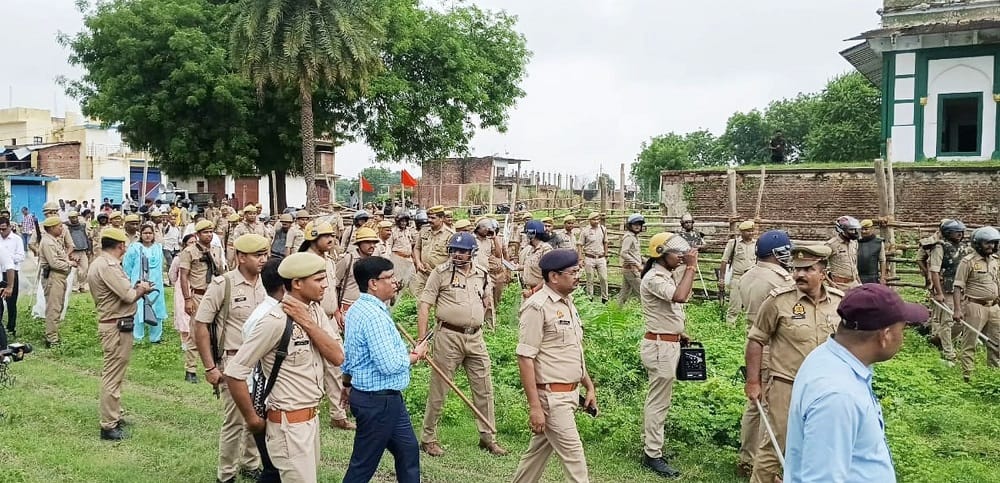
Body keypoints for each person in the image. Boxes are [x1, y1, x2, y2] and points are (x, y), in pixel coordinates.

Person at [784, 284, 929, 482]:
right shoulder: (838, 395)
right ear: (885, 335)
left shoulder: (828, 357)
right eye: (902, 329)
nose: (902, 337)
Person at [223, 252, 346, 483]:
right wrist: (252, 419)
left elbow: (337, 356)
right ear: (297, 283)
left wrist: (306, 321)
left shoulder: (315, 312)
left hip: (311, 419)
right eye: (318, 279)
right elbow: (234, 373)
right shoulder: (274, 321)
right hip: (288, 426)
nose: (325, 285)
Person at [744, 245, 844, 483]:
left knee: (821, 443)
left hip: (826, 388)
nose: (799, 274)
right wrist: (753, 381)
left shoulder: (839, 303)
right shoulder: (778, 301)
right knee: (775, 444)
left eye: (808, 269)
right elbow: (756, 340)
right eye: (796, 269)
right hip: (787, 386)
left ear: (823, 273)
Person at [417, 232, 506, 457]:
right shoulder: (440, 273)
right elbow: (425, 305)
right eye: (454, 250)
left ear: (471, 253)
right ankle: (428, 438)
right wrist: (422, 340)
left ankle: (488, 438)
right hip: (448, 336)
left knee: (484, 387)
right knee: (440, 387)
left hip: (475, 337)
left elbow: (486, 300)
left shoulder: (481, 273)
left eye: (462, 251)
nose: (457, 254)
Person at [511, 249, 597, 483]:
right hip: (551, 399)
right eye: (573, 272)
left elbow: (573, 351)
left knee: (536, 456)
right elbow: (525, 357)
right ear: (554, 277)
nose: (578, 276)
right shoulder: (537, 307)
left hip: (569, 394)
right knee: (575, 460)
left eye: (578, 271)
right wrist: (535, 407)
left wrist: (588, 386)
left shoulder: (567, 303)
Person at [341, 256, 429, 483]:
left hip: (388, 400)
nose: (395, 282)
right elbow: (389, 365)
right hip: (378, 401)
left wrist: (346, 383)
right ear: (373, 283)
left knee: (408, 450)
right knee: (363, 465)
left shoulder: (358, 308)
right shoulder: (373, 317)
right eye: (389, 277)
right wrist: (415, 356)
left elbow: (350, 354)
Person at [195, 234, 268, 483]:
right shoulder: (223, 284)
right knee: (235, 421)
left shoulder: (266, 283)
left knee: (258, 414)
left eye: (264, 254)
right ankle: (226, 474)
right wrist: (209, 367)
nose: (263, 260)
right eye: (257, 255)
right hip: (234, 361)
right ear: (241, 257)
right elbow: (201, 326)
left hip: (262, 362)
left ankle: (251, 463)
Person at [734, 230, 794, 478]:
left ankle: (747, 456)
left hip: (753, 343)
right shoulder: (781, 280)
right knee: (771, 408)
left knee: (754, 405)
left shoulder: (748, 275)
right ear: (776, 253)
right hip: (772, 346)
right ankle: (763, 462)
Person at [638, 232, 697, 478]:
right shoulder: (654, 278)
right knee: (658, 403)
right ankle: (652, 453)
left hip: (667, 343)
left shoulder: (665, 275)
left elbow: (670, 309)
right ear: (660, 254)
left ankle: (653, 446)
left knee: (660, 401)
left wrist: (678, 332)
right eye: (676, 253)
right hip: (660, 348)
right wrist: (691, 267)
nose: (681, 256)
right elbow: (679, 297)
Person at [88, 227, 153, 440]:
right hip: (116, 326)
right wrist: (142, 288)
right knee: (112, 376)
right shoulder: (108, 266)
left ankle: (114, 415)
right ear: (121, 245)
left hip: (115, 323)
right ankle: (109, 425)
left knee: (115, 374)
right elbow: (128, 295)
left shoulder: (101, 262)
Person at [300, 221, 356, 430]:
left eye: (332, 235)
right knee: (310, 365)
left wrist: (337, 311)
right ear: (313, 238)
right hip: (311, 317)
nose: (331, 239)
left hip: (330, 318)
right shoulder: (304, 261)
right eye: (326, 236)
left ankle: (338, 413)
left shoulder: (330, 261)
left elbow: (333, 289)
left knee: (337, 364)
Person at [177, 220, 224, 382]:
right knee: (196, 331)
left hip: (216, 294)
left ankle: (216, 364)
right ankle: (191, 368)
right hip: (199, 295)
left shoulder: (216, 249)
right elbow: (184, 276)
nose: (209, 235)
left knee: (218, 330)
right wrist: (187, 299)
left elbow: (221, 271)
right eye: (205, 232)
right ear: (197, 234)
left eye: (211, 232)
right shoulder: (189, 252)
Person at [952, 226, 1000, 382]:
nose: (991, 246)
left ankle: (993, 375)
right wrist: (957, 310)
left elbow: (996, 281)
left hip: (994, 307)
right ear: (978, 243)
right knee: (970, 342)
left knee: (996, 342)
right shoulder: (968, 262)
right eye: (987, 243)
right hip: (975, 307)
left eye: (994, 243)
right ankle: (968, 376)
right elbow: (958, 286)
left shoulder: (995, 261)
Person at [928, 219, 968, 364]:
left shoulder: (964, 247)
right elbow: (935, 271)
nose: (959, 234)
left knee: (961, 322)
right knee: (947, 321)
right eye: (956, 232)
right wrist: (939, 292)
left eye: (961, 232)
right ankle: (948, 352)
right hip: (946, 287)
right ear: (948, 233)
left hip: (962, 288)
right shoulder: (939, 247)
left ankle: (938, 339)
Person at [123, 223, 168, 344]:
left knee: (157, 308)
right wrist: (131, 281)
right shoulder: (134, 247)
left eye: (150, 233)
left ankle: (156, 337)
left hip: (156, 284)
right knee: (138, 309)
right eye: (145, 233)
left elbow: (161, 265)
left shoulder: (158, 247)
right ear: (141, 235)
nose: (148, 236)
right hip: (139, 284)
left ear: (153, 234)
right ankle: (138, 337)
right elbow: (127, 266)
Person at [39, 216, 77, 347]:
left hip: (59, 277)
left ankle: (53, 334)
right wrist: (69, 264)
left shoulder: (54, 240)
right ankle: (51, 338)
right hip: (53, 277)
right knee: (53, 308)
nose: (62, 229)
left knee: (58, 306)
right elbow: (54, 263)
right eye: (59, 226)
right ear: (51, 228)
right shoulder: (48, 242)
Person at [170, 234, 198, 377]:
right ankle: (185, 342)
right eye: (190, 242)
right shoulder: (179, 258)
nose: (193, 244)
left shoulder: (200, 256)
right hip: (182, 289)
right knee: (183, 315)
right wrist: (177, 284)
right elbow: (172, 274)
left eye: (195, 242)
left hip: (196, 287)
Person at [412, 205, 454, 297]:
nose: (429, 220)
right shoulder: (424, 230)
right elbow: (417, 248)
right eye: (429, 217)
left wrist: (437, 270)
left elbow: (452, 258)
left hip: (440, 276)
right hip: (422, 274)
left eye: (433, 218)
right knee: (417, 299)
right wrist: (418, 263)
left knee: (437, 300)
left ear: (441, 218)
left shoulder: (450, 235)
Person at [719, 220, 757, 323]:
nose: (751, 233)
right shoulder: (733, 243)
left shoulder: (757, 244)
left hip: (752, 279)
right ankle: (730, 326)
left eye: (752, 231)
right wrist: (721, 279)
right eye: (748, 231)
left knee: (753, 306)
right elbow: (724, 261)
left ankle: (751, 327)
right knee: (734, 306)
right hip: (737, 278)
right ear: (742, 232)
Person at [0, 218, 25, 340]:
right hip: (0, 274)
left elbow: (21, 256)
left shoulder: (16, 239)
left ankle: (11, 328)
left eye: (4, 229)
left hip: (12, 273)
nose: (1, 231)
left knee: (11, 302)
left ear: (9, 227)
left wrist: (6, 257)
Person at [577, 212, 609, 303]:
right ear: (589, 220)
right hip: (589, 257)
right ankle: (590, 298)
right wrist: (580, 258)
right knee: (590, 279)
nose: (596, 221)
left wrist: (606, 255)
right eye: (594, 219)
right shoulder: (585, 231)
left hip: (601, 257)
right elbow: (580, 245)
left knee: (603, 278)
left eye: (598, 219)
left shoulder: (603, 229)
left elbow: (605, 242)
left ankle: (605, 298)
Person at [517, 220, 553, 297]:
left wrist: (533, 291)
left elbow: (549, 276)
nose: (525, 237)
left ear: (531, 234)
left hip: (540, 292)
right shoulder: (531, 249)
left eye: (526, 234)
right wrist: (520, 267)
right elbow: (535, 266)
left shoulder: (545, 249)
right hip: (528, 290)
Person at [825, 215, 862, 290]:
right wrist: (830, 283)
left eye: (855, 229)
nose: (854, 232)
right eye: (851, 230)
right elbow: (820, 267)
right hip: (839, 285)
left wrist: (859, 283)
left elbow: (854, 265)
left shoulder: (854, 243)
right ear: (841, 230)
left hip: (854, 283)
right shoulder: (831, 244)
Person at [618, 213, 645, 305]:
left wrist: (644, 260)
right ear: (630, 225)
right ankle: (648, 311)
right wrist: (637, 264)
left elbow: (634, 253)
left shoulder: (635, 237)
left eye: (639, 224)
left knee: (624, 293)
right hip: (631, 269)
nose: (637, 226)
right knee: (642, 292)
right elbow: (623, 253)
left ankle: (617, 310)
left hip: (630, 269)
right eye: (635, 224)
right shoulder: (629, 237)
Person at [66, 211, 93, 293]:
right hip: (74, 251)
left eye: (75, 217)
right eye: (72, 218)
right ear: (69, 218)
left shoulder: (82, 226)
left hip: (83, 250)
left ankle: (82, 286)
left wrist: (89, 249)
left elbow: (86, 237)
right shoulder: (67, 227)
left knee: (85, 268)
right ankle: (75, 287)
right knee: (75, 270)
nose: (74, 219)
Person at [856, 219, 887, 285]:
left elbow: (882, 260)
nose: (863, 231)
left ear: (872, 229)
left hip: (873, 277)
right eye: (862, 229)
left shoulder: (879, 242)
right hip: (858, 277)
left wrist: (882, 277)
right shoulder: (856, 242)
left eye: (866, 229)